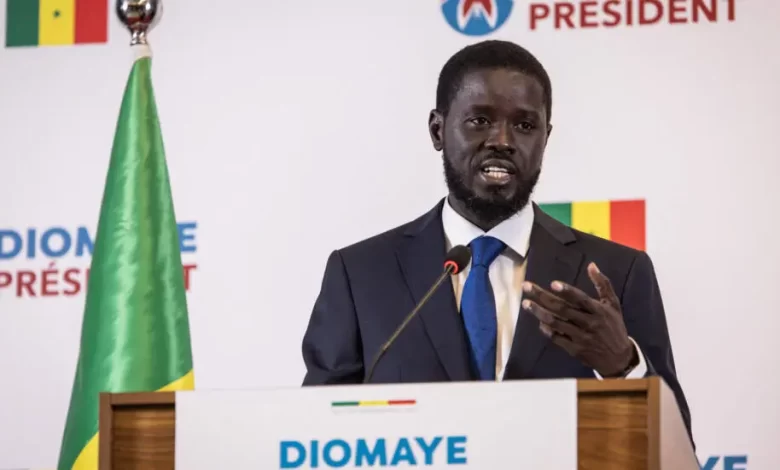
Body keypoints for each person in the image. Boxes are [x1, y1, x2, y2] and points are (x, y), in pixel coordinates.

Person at [300, 39, 692, 441]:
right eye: (480, 120)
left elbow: (677, 451)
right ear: (438, 130)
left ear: (545, 138)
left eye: (524, 126)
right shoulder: (361, 274)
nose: (502, 140)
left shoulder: (619, 273)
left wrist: (624, 366)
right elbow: (316, 438)